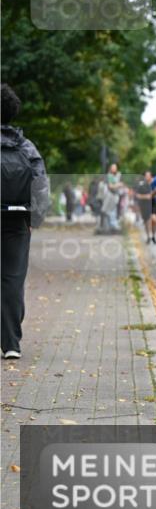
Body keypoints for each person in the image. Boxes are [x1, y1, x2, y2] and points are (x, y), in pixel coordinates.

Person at [1, 83, 50, 360]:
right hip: (17, 219)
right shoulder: (26, 147)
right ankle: (11, 343)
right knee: (12, 279)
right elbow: (41, 186)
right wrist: (35, 219)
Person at [134, 170, 155, 243]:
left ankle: (153, 234)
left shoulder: (155, 183)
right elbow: (137, 195)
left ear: (151, 176)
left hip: (155, 204)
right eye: (146, 176)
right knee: (147, 221)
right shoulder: (141, 185)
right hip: (145, 205)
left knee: (153, 219)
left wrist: (150, 195)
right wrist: (146, 196)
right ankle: (149, 236)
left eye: (149, 176)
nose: (147, 177)